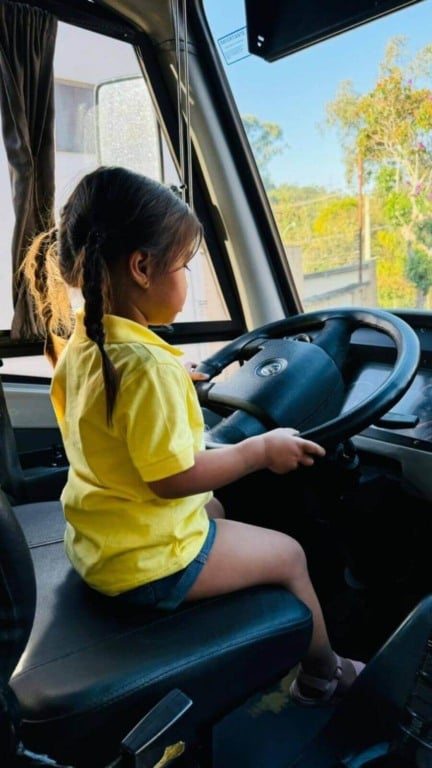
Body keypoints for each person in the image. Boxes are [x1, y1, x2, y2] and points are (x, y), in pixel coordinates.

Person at [21, 165, 364, 706]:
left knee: (220, 510)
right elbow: (174, 478)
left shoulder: (87, 349)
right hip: (145, 562)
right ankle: (325, 674)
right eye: (183, 265)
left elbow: (110, 432)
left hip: (101, 543)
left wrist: (171, 378)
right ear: (142, 267)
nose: (186, 277)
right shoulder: (146, 368)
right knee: (290, 555)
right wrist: (258, 450)